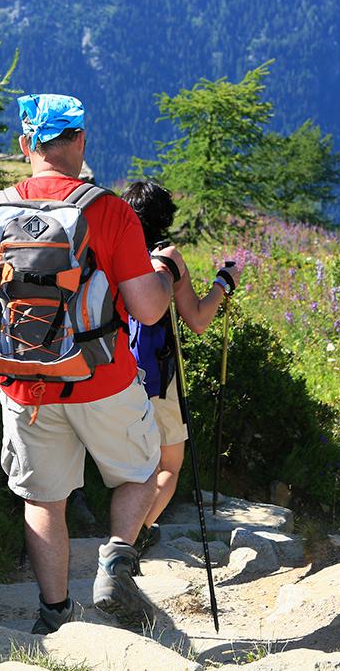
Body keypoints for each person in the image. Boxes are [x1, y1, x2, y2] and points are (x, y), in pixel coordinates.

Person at [0, 94, 185, 634]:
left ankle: (53, 615)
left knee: (43, 499)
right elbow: (147, 308)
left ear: (26, 144)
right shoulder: (108, 210)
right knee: (143, 470)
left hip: (23, 383)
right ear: (80, 140)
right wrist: (167, 280)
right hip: (102, 378)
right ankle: (115, 563)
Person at [120, 180, 243, 557]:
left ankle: (122, 539)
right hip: (156, 377)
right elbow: (198, 320)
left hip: (110, 372)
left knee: (126, 469)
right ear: (165, 216)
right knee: (168, 467)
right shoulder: (166, 257)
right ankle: (131, 540)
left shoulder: (113, 252)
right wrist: (223, 285)